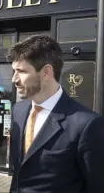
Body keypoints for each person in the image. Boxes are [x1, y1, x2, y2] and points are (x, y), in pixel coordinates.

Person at [6, 35, 104, 193]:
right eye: (14, 71)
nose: (14, 79)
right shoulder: (18, 110)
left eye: (21, 71)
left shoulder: (86, 124)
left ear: (46, 72)